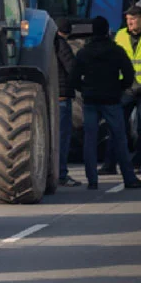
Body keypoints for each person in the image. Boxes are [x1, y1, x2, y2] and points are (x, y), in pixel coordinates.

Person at [72, 16, 141, 189]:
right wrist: (120, 88)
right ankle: (129, 178)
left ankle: (92, 181)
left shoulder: (83, 53)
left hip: (91, 101)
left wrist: (85, 90)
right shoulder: (116, 51)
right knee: (120, 139)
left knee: (90, 141)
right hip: (111, 100)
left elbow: (74, 78)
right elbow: (129, 74)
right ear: (107, 31)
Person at [101, 5, 141, 175]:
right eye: (127, 20)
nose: (130, 23)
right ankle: (110, 164)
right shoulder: (121, 35)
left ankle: (137, 162)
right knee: (116, 127)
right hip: (125, 89)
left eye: (133, 19)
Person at [55, 19, 80, 187]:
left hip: (52, 96)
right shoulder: (61, 44)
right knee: (62, 138)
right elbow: (72, 67)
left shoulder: (43, 44)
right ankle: (62, 174)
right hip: (62, 96)